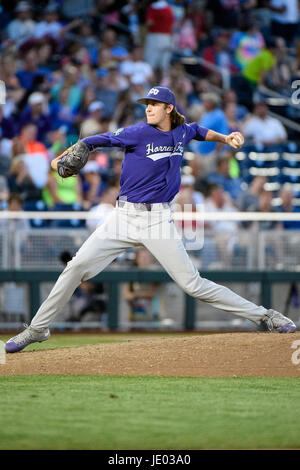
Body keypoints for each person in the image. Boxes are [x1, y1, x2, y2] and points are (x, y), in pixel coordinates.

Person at [5, 85, 296, 353]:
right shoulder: (137, 132)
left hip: (158, 220)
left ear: (169, 108)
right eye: (147, 104)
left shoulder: (181, 131)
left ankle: (266, 316)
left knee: (192, 285)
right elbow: (92, 141)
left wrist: (226, 137)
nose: (148, 108)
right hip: (123, 217)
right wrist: (60, 159)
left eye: (154, 104)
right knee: (76, 267)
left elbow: (198, 131)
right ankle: (37, 329)